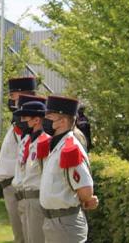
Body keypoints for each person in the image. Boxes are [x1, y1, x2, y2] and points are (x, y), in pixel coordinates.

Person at [38, 95, 98, 242]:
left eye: (49, 116)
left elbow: (86, 191)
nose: (45, 120)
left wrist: (87, 199)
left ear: (63, 121)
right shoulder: (57, 145)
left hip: (65, 223)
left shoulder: (70, 148)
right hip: (53, 221)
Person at [0, 76, 37, 243]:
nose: (11, 100)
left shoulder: (26, 122)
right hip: (12, 186)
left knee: (24, 237)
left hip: (17, 187)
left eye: (13, 96)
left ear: (23, 95)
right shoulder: (19, 120)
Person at [11, 97, 49, 243]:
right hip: (24, 197)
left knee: (36, 239)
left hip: (37, 198)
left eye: (25, 117)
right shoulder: (27, 140)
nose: (22, 120)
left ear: (36, 120)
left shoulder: (45, 142)